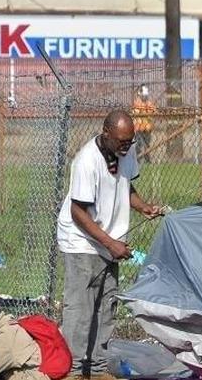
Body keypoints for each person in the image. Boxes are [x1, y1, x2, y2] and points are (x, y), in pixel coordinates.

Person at [56, 110, 159, 380]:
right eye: (122, 142)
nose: (127, 147)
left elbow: (125, 186)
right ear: (106, 134)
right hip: (82, 239)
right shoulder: (86, 161)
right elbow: (78, 212)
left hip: (109, 240)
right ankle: (75, 370)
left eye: (131, 141)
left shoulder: (126, 150)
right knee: (81, 308)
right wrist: (110, 243)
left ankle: (98, 368)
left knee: (106, 304)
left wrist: (143, 207)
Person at [129, 87, 156, 165]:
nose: (145, 97)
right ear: (140, 95)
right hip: (138, 128)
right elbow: (135, 113)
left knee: (147, 145)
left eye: (145, 95)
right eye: (144, 95)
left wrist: (148, 113)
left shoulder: (149, 103)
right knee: (138, 145)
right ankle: (138, 161)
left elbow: (153, 112)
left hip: (147, 128)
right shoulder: (137, 103)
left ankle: (147, 161)